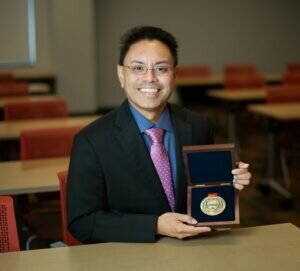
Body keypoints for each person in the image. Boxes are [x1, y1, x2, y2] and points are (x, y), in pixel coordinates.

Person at [67, 26, 251, 243]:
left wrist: (226, 182)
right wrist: (155, 225)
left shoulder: (198, 126)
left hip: (192, 254)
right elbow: (82, 221)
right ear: (121, 74)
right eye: (138, 68)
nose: (150, 78)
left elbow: (202, 197)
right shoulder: (91, 140)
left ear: (175, 75)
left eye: (161, 69)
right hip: (128, 258)